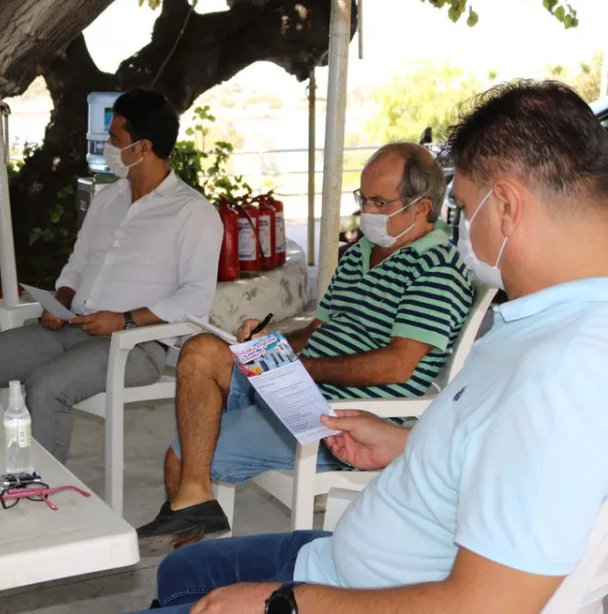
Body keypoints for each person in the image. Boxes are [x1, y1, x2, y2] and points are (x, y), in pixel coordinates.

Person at [129, 80, 608, 614]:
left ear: (507, 206)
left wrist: (284, 602)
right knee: (181, 571)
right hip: (343, 560)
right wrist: (405, 443)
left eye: (465, 209)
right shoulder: (538, 323)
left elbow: (485, 605)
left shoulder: (567, 371)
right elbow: (500, 453)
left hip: (357, 592)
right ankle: (195, 506)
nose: (463, 231)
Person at [136, 142, 474, 550]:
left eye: (380, 202)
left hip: (342, 420)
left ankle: (190, 559)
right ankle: (197, 513)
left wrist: (299, 368)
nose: (367, 211)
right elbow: (317, 330)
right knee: (202, 350)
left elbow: (397, 366)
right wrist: (268, 345)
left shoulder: (437, 269)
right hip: (298, 388)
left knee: (183, 456)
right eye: (363, 198)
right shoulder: (362, 253)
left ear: (421, 208)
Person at [0, 88, 222, 463]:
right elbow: (78, 261)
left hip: (135, 345)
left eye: (116, 139)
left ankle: (41, 488)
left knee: (46, 388)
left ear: (143, 147)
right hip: (72, 326)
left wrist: (123, 320)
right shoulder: (108, 198)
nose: (108, 146)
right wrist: (61, 301)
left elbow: (196, 297)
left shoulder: (193, 212)